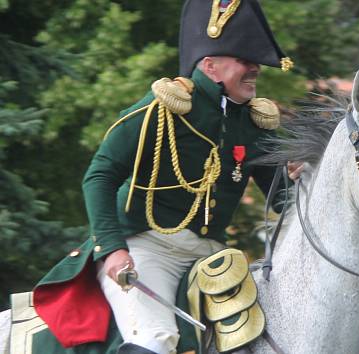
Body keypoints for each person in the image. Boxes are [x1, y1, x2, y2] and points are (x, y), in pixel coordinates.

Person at [29, 0, 297, 353]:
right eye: (245, 61)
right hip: (148, 248)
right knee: (155, 340)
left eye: (256, 63)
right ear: (211, 66)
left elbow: (284, 201)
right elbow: (99, 175)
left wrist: (309, 179)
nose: (254, 70)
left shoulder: (254, 126)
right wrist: (111, 249)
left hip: (213, 255)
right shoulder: (162, 111)